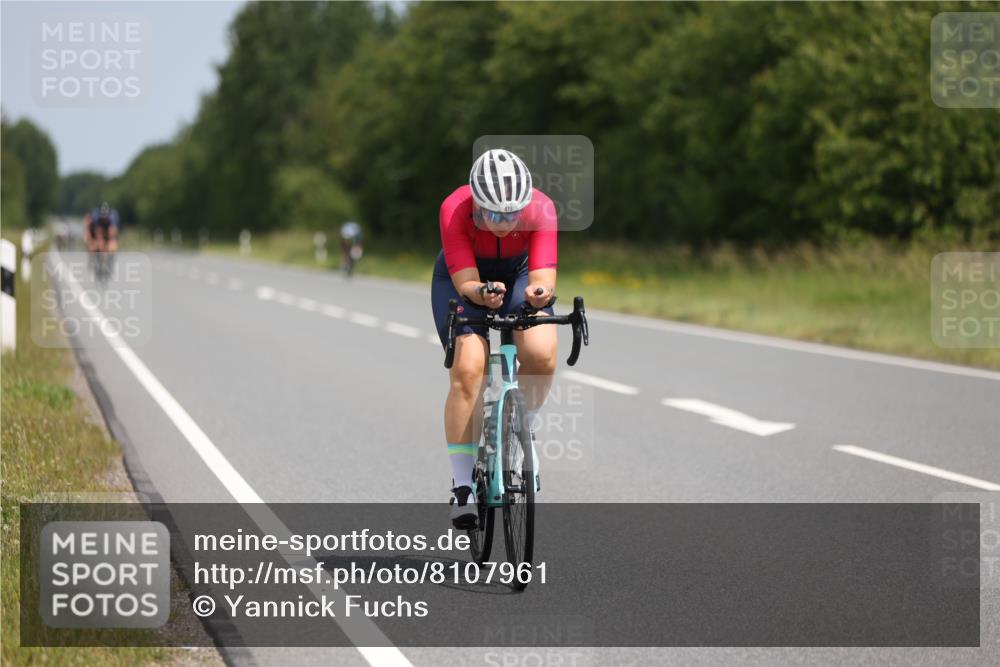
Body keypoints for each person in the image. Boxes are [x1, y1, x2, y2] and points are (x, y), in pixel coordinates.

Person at [431, 149, 559, 528]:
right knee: (470, 369)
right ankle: (463, 484)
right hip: (464, 278)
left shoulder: (542, 209)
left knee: (540, 351)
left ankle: (522, 430)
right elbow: (466, 281)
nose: (504, 224)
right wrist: (479, 293)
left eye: (512, 215)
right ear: (476, 205)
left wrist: (540, 296)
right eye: (494, 215)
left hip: (518, 274)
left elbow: (543, 279)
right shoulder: (454, 209)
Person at [85, 202, 119, 278]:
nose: (104, 219)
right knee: (95, 246)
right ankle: (94, 261)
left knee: (112, 247)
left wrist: (109, 249)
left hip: (107, 233)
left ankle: (110, 263)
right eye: (102, 218)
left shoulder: (112, 219)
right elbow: (97, 234)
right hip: (95, 233)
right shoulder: (96, 219)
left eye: (105, 218)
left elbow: (112, 233)